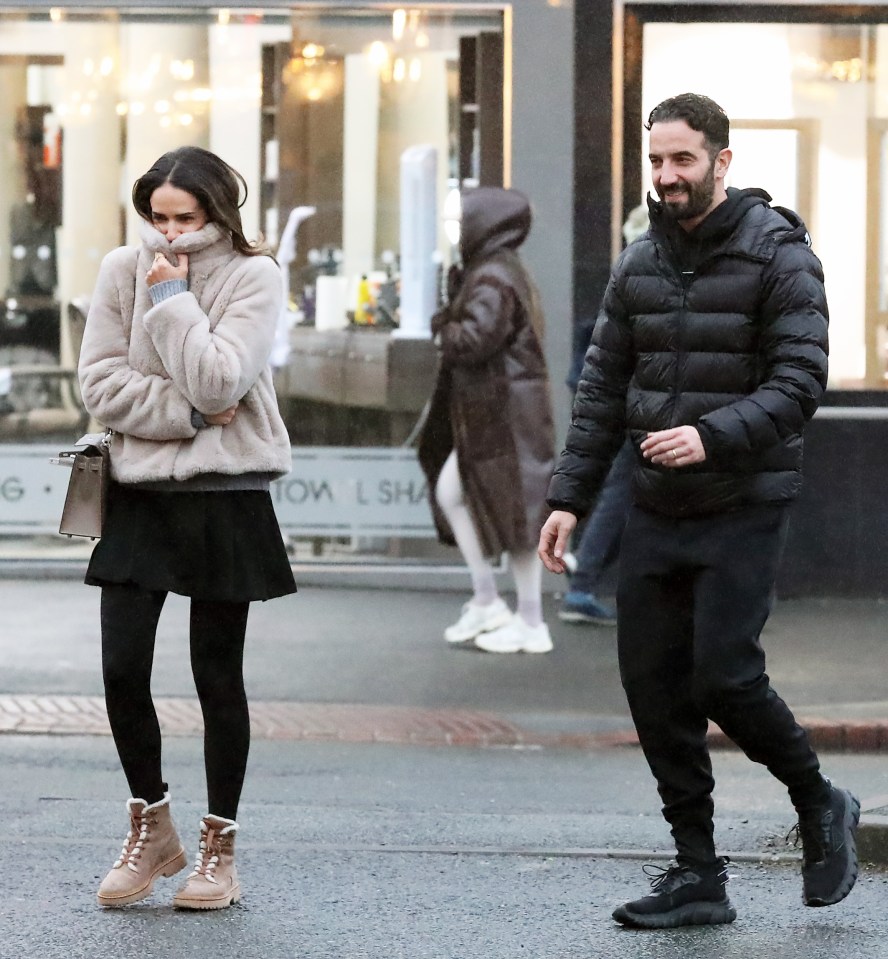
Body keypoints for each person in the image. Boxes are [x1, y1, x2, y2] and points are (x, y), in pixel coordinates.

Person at [539, 93, 859, 928]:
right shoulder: (640, 262)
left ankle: (821, 801)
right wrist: (569, 498)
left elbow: (800, 382)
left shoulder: (779, 255)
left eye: (683, 160)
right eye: (656, 161)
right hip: (655, 504)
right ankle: (697, 872)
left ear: (722, 161)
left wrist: (710, 437)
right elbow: (604, 388)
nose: (667, 176)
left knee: (723, 674)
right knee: (652, 684)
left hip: (743, 499)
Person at [78, 146, 296, 910]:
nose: (168, 235)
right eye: (158, 218)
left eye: (186, 218)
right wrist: (191, 416)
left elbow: (222, 374)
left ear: (216, 212)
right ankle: (153, 825)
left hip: (224, 494)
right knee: (119, 667)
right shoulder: (117, 269)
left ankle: (220, 849)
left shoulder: (253, 274)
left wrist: (170, 300)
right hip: (139, 490)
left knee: (216, 677)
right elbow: (101, 384)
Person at [419, 186, 555, 654]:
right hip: (501, 413)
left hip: (501, 415)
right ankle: (490, 599)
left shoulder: (491, 276)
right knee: (464, 496)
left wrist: (442, 325)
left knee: (516, 516)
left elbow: (473, 340)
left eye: (464, 221)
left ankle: (527, 619)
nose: (458, 231)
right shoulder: (502, 270)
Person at [558, 206, 648, 627]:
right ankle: (583, 582)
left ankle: (584, 577)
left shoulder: (627, 269)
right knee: (619, 489)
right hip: (632, 397)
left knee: (616, 487)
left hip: (617, 394)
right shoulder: (648, 273)